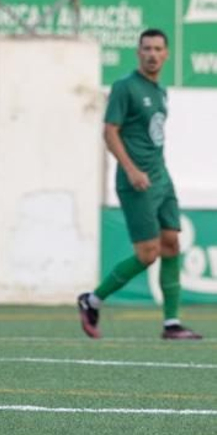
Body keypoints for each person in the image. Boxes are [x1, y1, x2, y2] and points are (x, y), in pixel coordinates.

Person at [77, 28, 202, 341]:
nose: (152, 54)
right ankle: (92, 300)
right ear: (138, 52)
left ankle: (172, 323)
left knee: (171, 243)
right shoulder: (125, 87)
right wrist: (131, 169)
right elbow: (110, 131)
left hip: (161, 177)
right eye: (147, 48)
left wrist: (158, 171)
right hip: (137, 181)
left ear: (167, 54)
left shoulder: (160, 91)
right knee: (148, 254)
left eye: (158, 49)